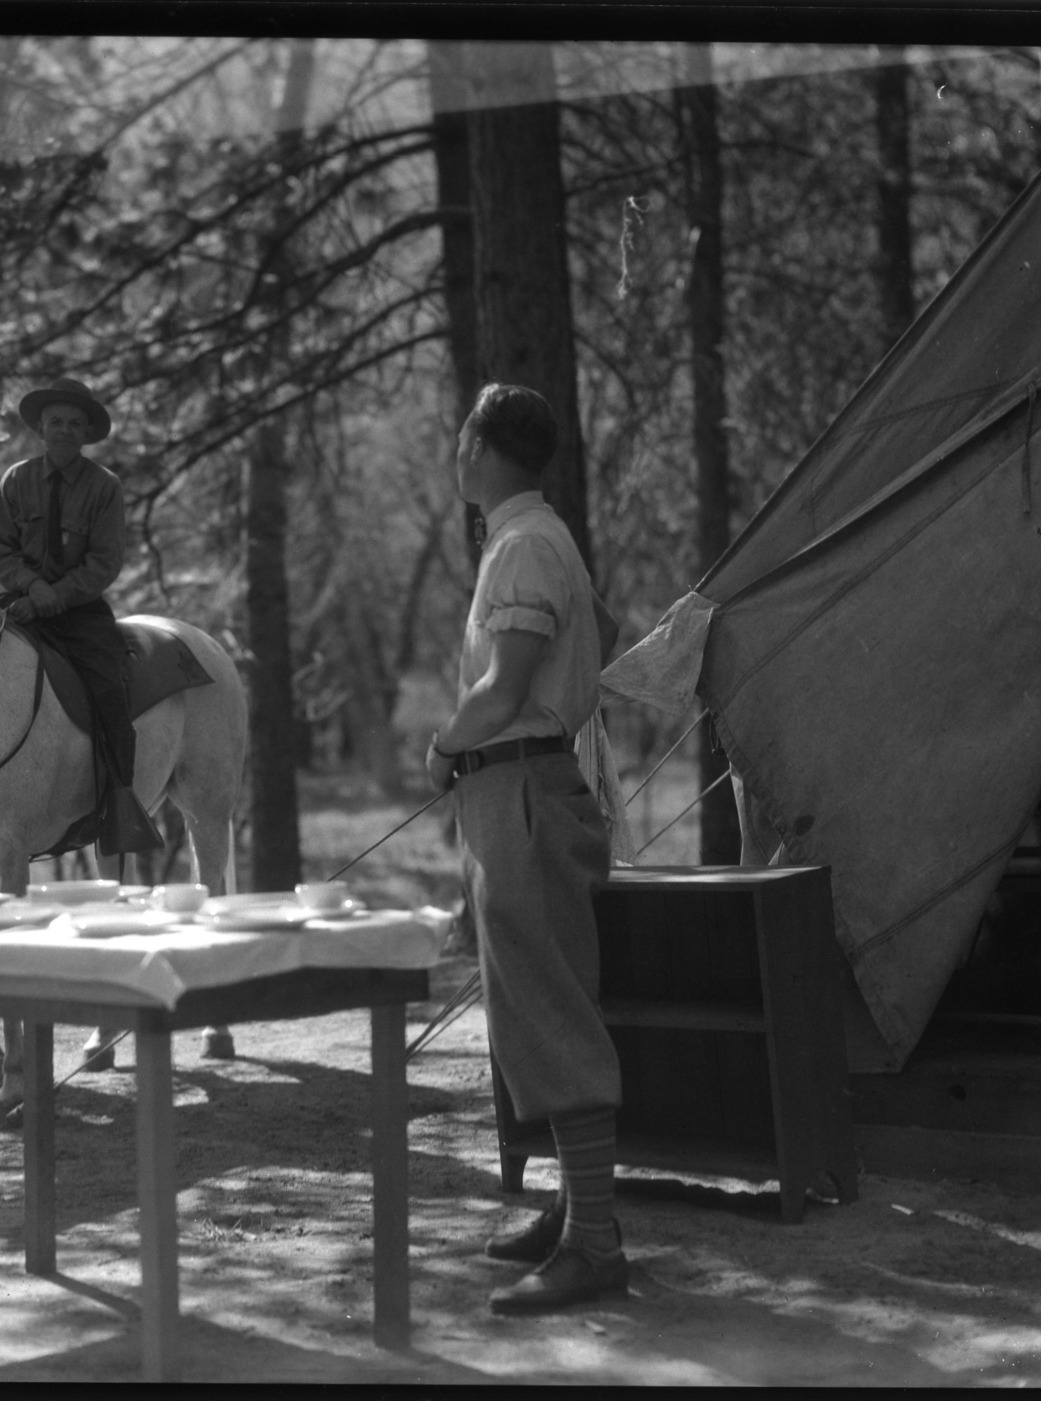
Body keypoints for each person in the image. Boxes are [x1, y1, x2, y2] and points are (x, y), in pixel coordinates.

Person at [424, 382, 625, 1313]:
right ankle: (572, 1205)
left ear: (478, 445)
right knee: (529, 1008)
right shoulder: (531, 537)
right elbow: (598, 631)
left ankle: (595, 1243)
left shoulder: (523, 545)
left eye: (460, 438)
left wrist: (444, 745)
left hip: (521, 787)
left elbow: (502, 689)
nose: (455, 453)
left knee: (549, 1011)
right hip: (515, 786)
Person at [0, 377, 162, 856]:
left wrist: (53, 596)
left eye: (74, 424)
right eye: (55, 422)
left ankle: (120, 803)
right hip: (20, 602)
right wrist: (30, 587)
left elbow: (104, 562)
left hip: (80, 612)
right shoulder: (16, 481)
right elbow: (0, 548)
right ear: (40, 429)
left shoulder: (104, 487)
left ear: (86, 433)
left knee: (109, 692)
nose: (64, 430)